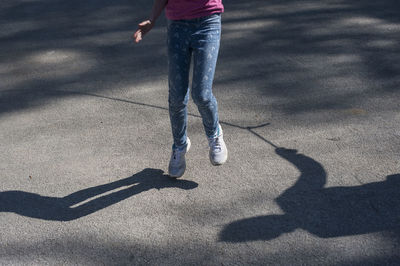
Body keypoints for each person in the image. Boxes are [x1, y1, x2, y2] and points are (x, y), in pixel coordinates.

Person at [133, 0, 228, 178]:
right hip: (177, 25)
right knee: (177, 96)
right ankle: (180, 145)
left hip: (208, 21)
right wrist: (152, 19)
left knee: (202, 94)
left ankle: (214, 134)